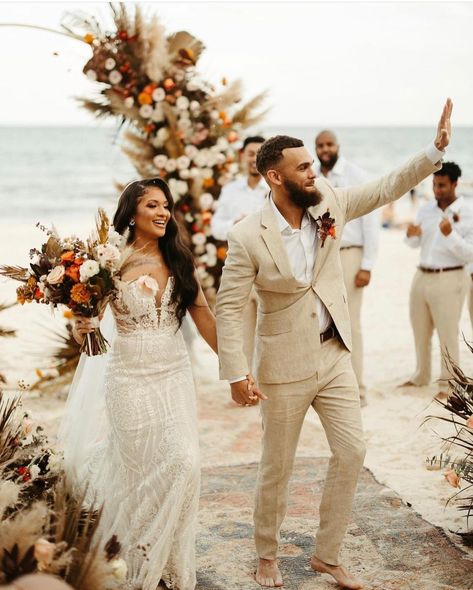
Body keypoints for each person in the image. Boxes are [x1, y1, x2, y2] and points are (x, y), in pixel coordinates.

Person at [215, 99, 452, 589]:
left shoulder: (326, 200)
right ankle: (266, 554)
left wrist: (432, 152)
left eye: (313, 164)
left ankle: (327, 555)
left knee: (352, 451)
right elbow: (230, 307)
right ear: (275, 178)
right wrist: (237, 374)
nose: (314, 172)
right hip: (282, 366)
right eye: (302, 167)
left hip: (334, 355)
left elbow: (386, 186)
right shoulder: (246, 237)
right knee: (276, 467)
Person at [62, 178, 220, 590]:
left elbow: (203, 316)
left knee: (184, 462)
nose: (163, 212)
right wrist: (84, 326)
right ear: (132, 213)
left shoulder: (180, 260)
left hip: (173, 374)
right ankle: (135, 557)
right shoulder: (109, 264)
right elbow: (86, 335)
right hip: (128, 377)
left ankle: (165, 559)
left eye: (166, 205)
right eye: (153, 205)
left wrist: (236, 368)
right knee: (138, 472)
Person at [315, 130, 380, 406]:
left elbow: (371, 224)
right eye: (320, 145)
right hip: (320, 258)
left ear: (338, 146)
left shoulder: (356, 176)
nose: (324, 149)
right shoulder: (313, 179)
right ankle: (328, 387)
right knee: (321, 322)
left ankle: (358, 389)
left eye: (329, 144)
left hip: (350, 257)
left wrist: (367, 265)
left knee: (351, 324)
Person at [403, 161, 473, 399]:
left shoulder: (469, 211)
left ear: (455, 184)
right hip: (422, 274)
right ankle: (421, 375)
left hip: (451, 276)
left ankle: (450, 385)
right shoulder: (425, 209)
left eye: (442, 185)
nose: (437, 190)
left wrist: (450, 234)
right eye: (434, 184)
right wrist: (410, 236)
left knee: (447, 332)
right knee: (419, 329)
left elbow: (470, 253)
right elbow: (415, 244)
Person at [211, 136, 267, 369]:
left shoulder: (277, 188)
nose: (254, 159)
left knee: (269, 330)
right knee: (243, 331)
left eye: (259, 154)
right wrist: (236, 223)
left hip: (269, 268)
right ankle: (247, 384)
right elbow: (216, 226)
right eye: (251, 153)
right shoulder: (230, 190)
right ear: (242, 156)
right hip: (240, 270)